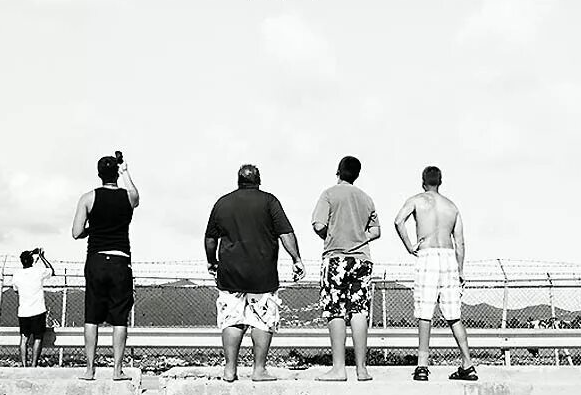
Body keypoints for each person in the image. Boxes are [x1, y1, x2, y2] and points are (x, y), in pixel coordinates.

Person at [204, 164, 304, 382]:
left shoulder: (223, 203)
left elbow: (210, 238)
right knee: (262, 320)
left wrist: (212, 261)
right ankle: (259, 370)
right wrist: (296, 259)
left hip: (230, 272)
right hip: (262, 273)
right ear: (259, 181)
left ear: (238, 180)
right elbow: (285, 233)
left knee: (232, 320)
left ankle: (230, 369)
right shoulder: (269, 201)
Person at [395, 166, 477, 381]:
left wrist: (409, 246)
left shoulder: (417, 200)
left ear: (423, 181)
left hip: (428, 254)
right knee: (454, 314)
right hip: (449, 256)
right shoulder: (451, 206)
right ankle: (467, 363)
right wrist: (460, 269)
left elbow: (398, 221)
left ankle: (422, 366)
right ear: (441, 182)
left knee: (425, 312)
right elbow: (460, 241)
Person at [311, 156, 380, 382]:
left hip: (336, 258)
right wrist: (359, 237)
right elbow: (376, 231)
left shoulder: (329, 194)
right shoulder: (366, 198)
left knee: (335, 310)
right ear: (357, 175)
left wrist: (331, 235)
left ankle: (339, 368)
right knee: (359, 311)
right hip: (362, 259)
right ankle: (362, 369)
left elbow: (319, 225)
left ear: (338, 171)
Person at [71, 152, 140, 381]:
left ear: (99, 174)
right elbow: (136, 196)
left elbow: (76, 232)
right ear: (116, 174)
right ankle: (117, 370)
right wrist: (126, 171)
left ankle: (90, 370)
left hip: (96, 259)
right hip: (120, 260)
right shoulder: (127, 197)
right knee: (119, 318)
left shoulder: (88, 198)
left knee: (92, 315)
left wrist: (94, 229)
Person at [11, 247, 54, 367]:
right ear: (31, 260)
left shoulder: (17, 275)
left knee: (24, 338)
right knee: (38, 338)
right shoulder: (38, 271)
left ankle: (24, 365)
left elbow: (15, 289)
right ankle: (34, 365)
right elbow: (51, 270)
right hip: (38, 310)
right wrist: (42, 257)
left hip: (24, 311)